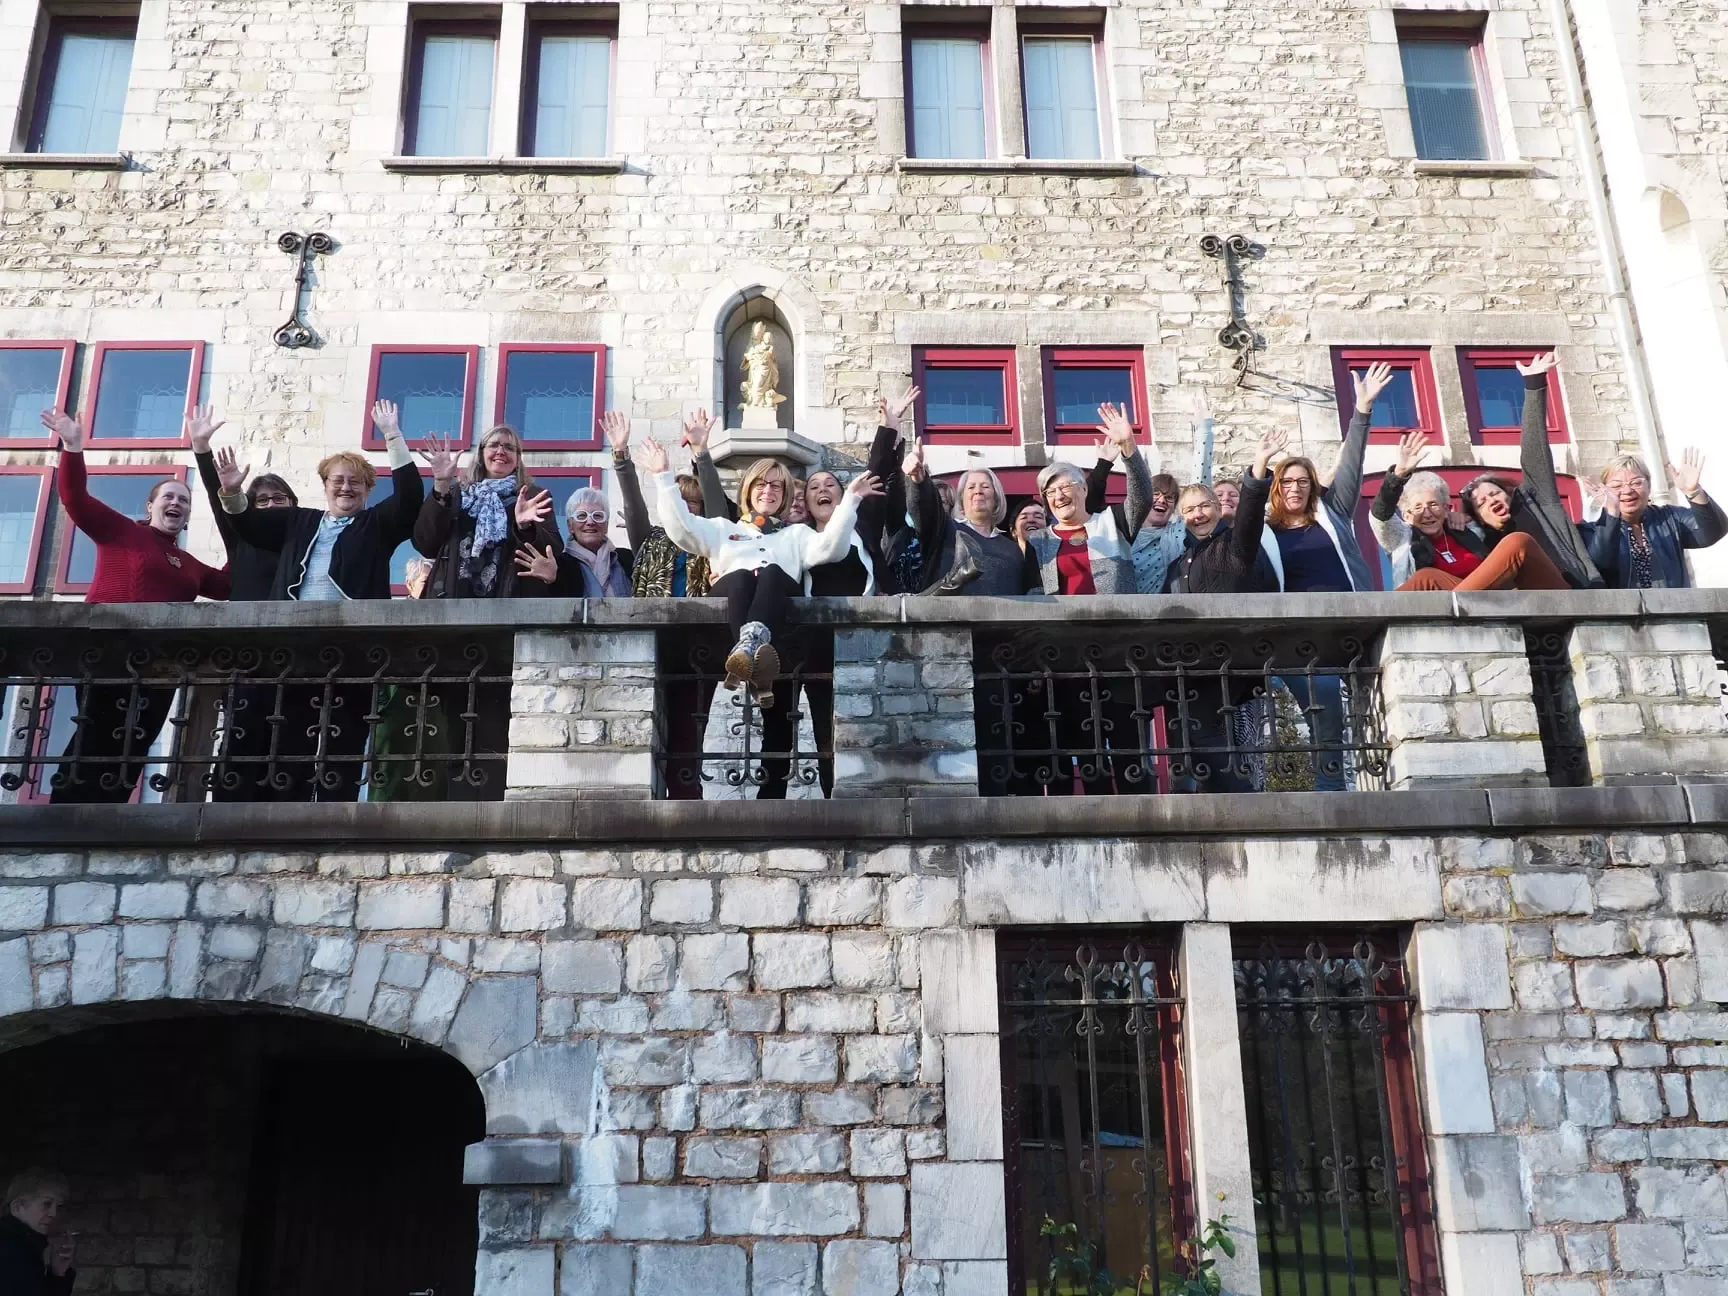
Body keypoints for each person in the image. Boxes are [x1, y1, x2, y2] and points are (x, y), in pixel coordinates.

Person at [212, 400, 427, 801]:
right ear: (325, 484)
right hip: (294, 646)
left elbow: (411, 496)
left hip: (352, 649)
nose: (346, 487)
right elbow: (248, 524)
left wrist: (393, 436)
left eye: (355, 482)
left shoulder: (375, 524)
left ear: (367, 489)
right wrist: (230, 491)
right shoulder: (300, 520)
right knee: (291, 738)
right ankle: (289, 816)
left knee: (342, 741)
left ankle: (334, 817)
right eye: (338, 480)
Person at [38, 409, 231, 804]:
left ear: (188, 516)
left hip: (159, 665)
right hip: (109, 652)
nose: (177, 503)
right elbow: (75, 498)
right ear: (150, 506)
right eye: (169, 497)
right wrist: (72, 446)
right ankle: (65, 812)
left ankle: (110, 816)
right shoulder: (122, 532)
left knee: (134, 744)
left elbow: (228, 585)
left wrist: (243, 523)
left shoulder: (189, 564)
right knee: (97, 732)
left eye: (184, 501)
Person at [756, 391, 915, 799]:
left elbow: (876, 473)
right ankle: (769, 802)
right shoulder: (800, 537)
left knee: (832, 729)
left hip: (842, 642)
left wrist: (890, 426)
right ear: (805, 503)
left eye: (831, 484)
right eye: (814, 487)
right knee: (778, 727)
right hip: (796, 641)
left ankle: (834, 801)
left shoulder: (858, 527)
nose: (823, 489)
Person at [645, 439, 877, 707]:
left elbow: (831, 549)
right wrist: (662, 476)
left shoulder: (798, 534)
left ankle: (749, 652)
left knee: (772, 573)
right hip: (725, 617)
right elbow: (682, 529)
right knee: (743, 576)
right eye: (761, 484)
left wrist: (851, 500)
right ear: (748, 489)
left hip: (781, 629)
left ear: (785, 493)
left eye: (776, 485)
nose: (768, 490)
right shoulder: (722, 529)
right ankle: (748, 652)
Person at [1163, 430, 1285, 792]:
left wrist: (1259, 467)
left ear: (1217, 510)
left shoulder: (1234, 547)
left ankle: (1240, 804)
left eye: (1203, 507)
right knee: (1192, 747)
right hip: (1187, 669)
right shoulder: (1177, 564)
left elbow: (1249, 516)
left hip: (1229, 661)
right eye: (1188, 510)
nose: (1197, 515)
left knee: (1223, 747)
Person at [1457, 353, 1601, 588]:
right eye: (1481, 503)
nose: (1490, 500)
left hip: (1571, 593)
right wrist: (1451, 519)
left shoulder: (1537, 502)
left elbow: (1534, 451)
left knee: (1518, 542)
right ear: (1480, 518)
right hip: (1524, 612)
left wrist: (1534, 385)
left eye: (1493, 493)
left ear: (1508, 493)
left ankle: (1455, 613)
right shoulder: (1481, 540)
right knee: (1427, 579)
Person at [1371, 429, 1569, 591]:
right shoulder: (1401, 537)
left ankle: (1463, 602)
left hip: (1493, 599)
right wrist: (1397, 476)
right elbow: (1380, 516)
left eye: (1433, 505)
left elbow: (1499, 526)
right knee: (1426, 577)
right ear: (1406, 515)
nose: (1427, 513)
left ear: (1446, 508)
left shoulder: (1468, 529)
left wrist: (1463, 517)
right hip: (1447, 605)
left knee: (1519, 541)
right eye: (1417, 508)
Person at [413, 424, 559, 599]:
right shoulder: (456, 493)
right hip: (452, 601)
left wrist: (525, 527)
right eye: (494, 445)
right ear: (481, 454)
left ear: (518, 458)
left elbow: (552, 551)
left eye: (509, 447)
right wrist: (441, 483)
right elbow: (426, 544)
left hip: (510, 603)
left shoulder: (533, 497)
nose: (501, 451)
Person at [1028, 403, 1152, 595]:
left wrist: (1128, 445)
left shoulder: (1112, 522)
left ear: (1084, 489)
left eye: (1065, 487)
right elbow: (1034, 591)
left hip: (1114, 621)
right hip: (1062, 624)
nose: (1059, 496)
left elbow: (1142, 497)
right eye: (1050, 492)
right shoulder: (1038, 539)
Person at [905, 440, 1040, 595]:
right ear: (961, 499)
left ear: (996, 498)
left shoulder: (1013, 550)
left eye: (985, 486)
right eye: (971, 487)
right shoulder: (945, 531)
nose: (978, 491)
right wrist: (918, 479)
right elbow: (925, 509)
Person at [1584, 448, 1725, 589]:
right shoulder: (1592, 530)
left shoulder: (1670, 517)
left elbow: (1713, 532)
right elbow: (1600, 566)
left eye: (1636, 483)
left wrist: (1693, 492)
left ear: (1649, 486)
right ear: (1604, 490)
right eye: (1616, 486)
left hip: (1675, 607)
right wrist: (1612, 513)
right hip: (1627, 609)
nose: (1627, 491)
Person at [1084, 447, 1183, 595]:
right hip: (1114, 610)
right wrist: (1103, 464)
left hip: (1159, 612)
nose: (1162, 500)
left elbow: (1200, 499)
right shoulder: (1118, 527)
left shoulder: (1178, 534)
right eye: (1155, 493)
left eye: (1169, 497)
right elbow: (1088, 507)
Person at [1, 1169, 73, 1296]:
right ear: (17, 1207)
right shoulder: (7, 1249)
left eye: (58, 1206)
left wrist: (57, 1273)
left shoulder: (26, 1246)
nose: (53, 1214)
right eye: (46, 1204)